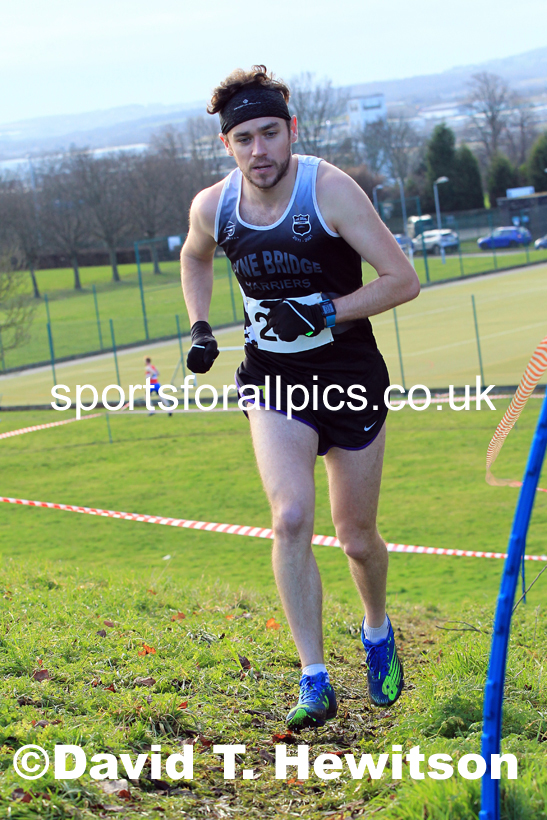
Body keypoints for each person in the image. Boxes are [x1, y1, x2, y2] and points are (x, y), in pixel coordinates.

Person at [180, 66, 420, 730]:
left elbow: (402, 280)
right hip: (273, 381)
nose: (259, 152)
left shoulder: (329, 191)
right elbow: (194, 257)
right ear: (226, 145)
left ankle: (375, 630)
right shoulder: (213, 206)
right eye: (243, 139)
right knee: (289, 518)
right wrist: (201, 325)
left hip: (346, 375)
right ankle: (314, 676)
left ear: (290, 131)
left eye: (268, 134)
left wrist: (324, 312)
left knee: (355, 536)